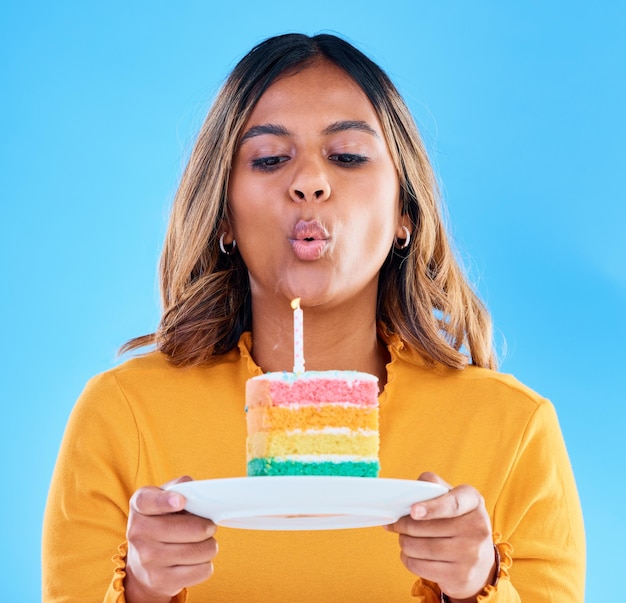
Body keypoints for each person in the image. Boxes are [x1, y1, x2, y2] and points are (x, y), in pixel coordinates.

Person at [42, 33, 585, 602]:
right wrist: (143, 591)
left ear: (405, 210)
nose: (309, 182)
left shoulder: (513, 429)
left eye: (347, 156)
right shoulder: (122, 417)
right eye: (271, 159)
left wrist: (474, 588)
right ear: (223, 213)